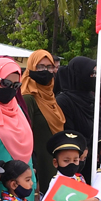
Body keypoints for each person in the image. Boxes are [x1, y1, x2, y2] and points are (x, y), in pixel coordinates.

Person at [19, 50, 65, 187]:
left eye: (49, 67)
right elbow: (25, 135)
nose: (45, 71)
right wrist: (34, 171)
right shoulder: (28, 98)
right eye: (40, 67)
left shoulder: (50, 96)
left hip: (54, 161)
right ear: (31, 67)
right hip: (39, 166)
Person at [0, 58, 33, 170]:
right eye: (6, 83)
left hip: (22, 176)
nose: (10, 89)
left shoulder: (17, 110)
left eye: (16, 85)